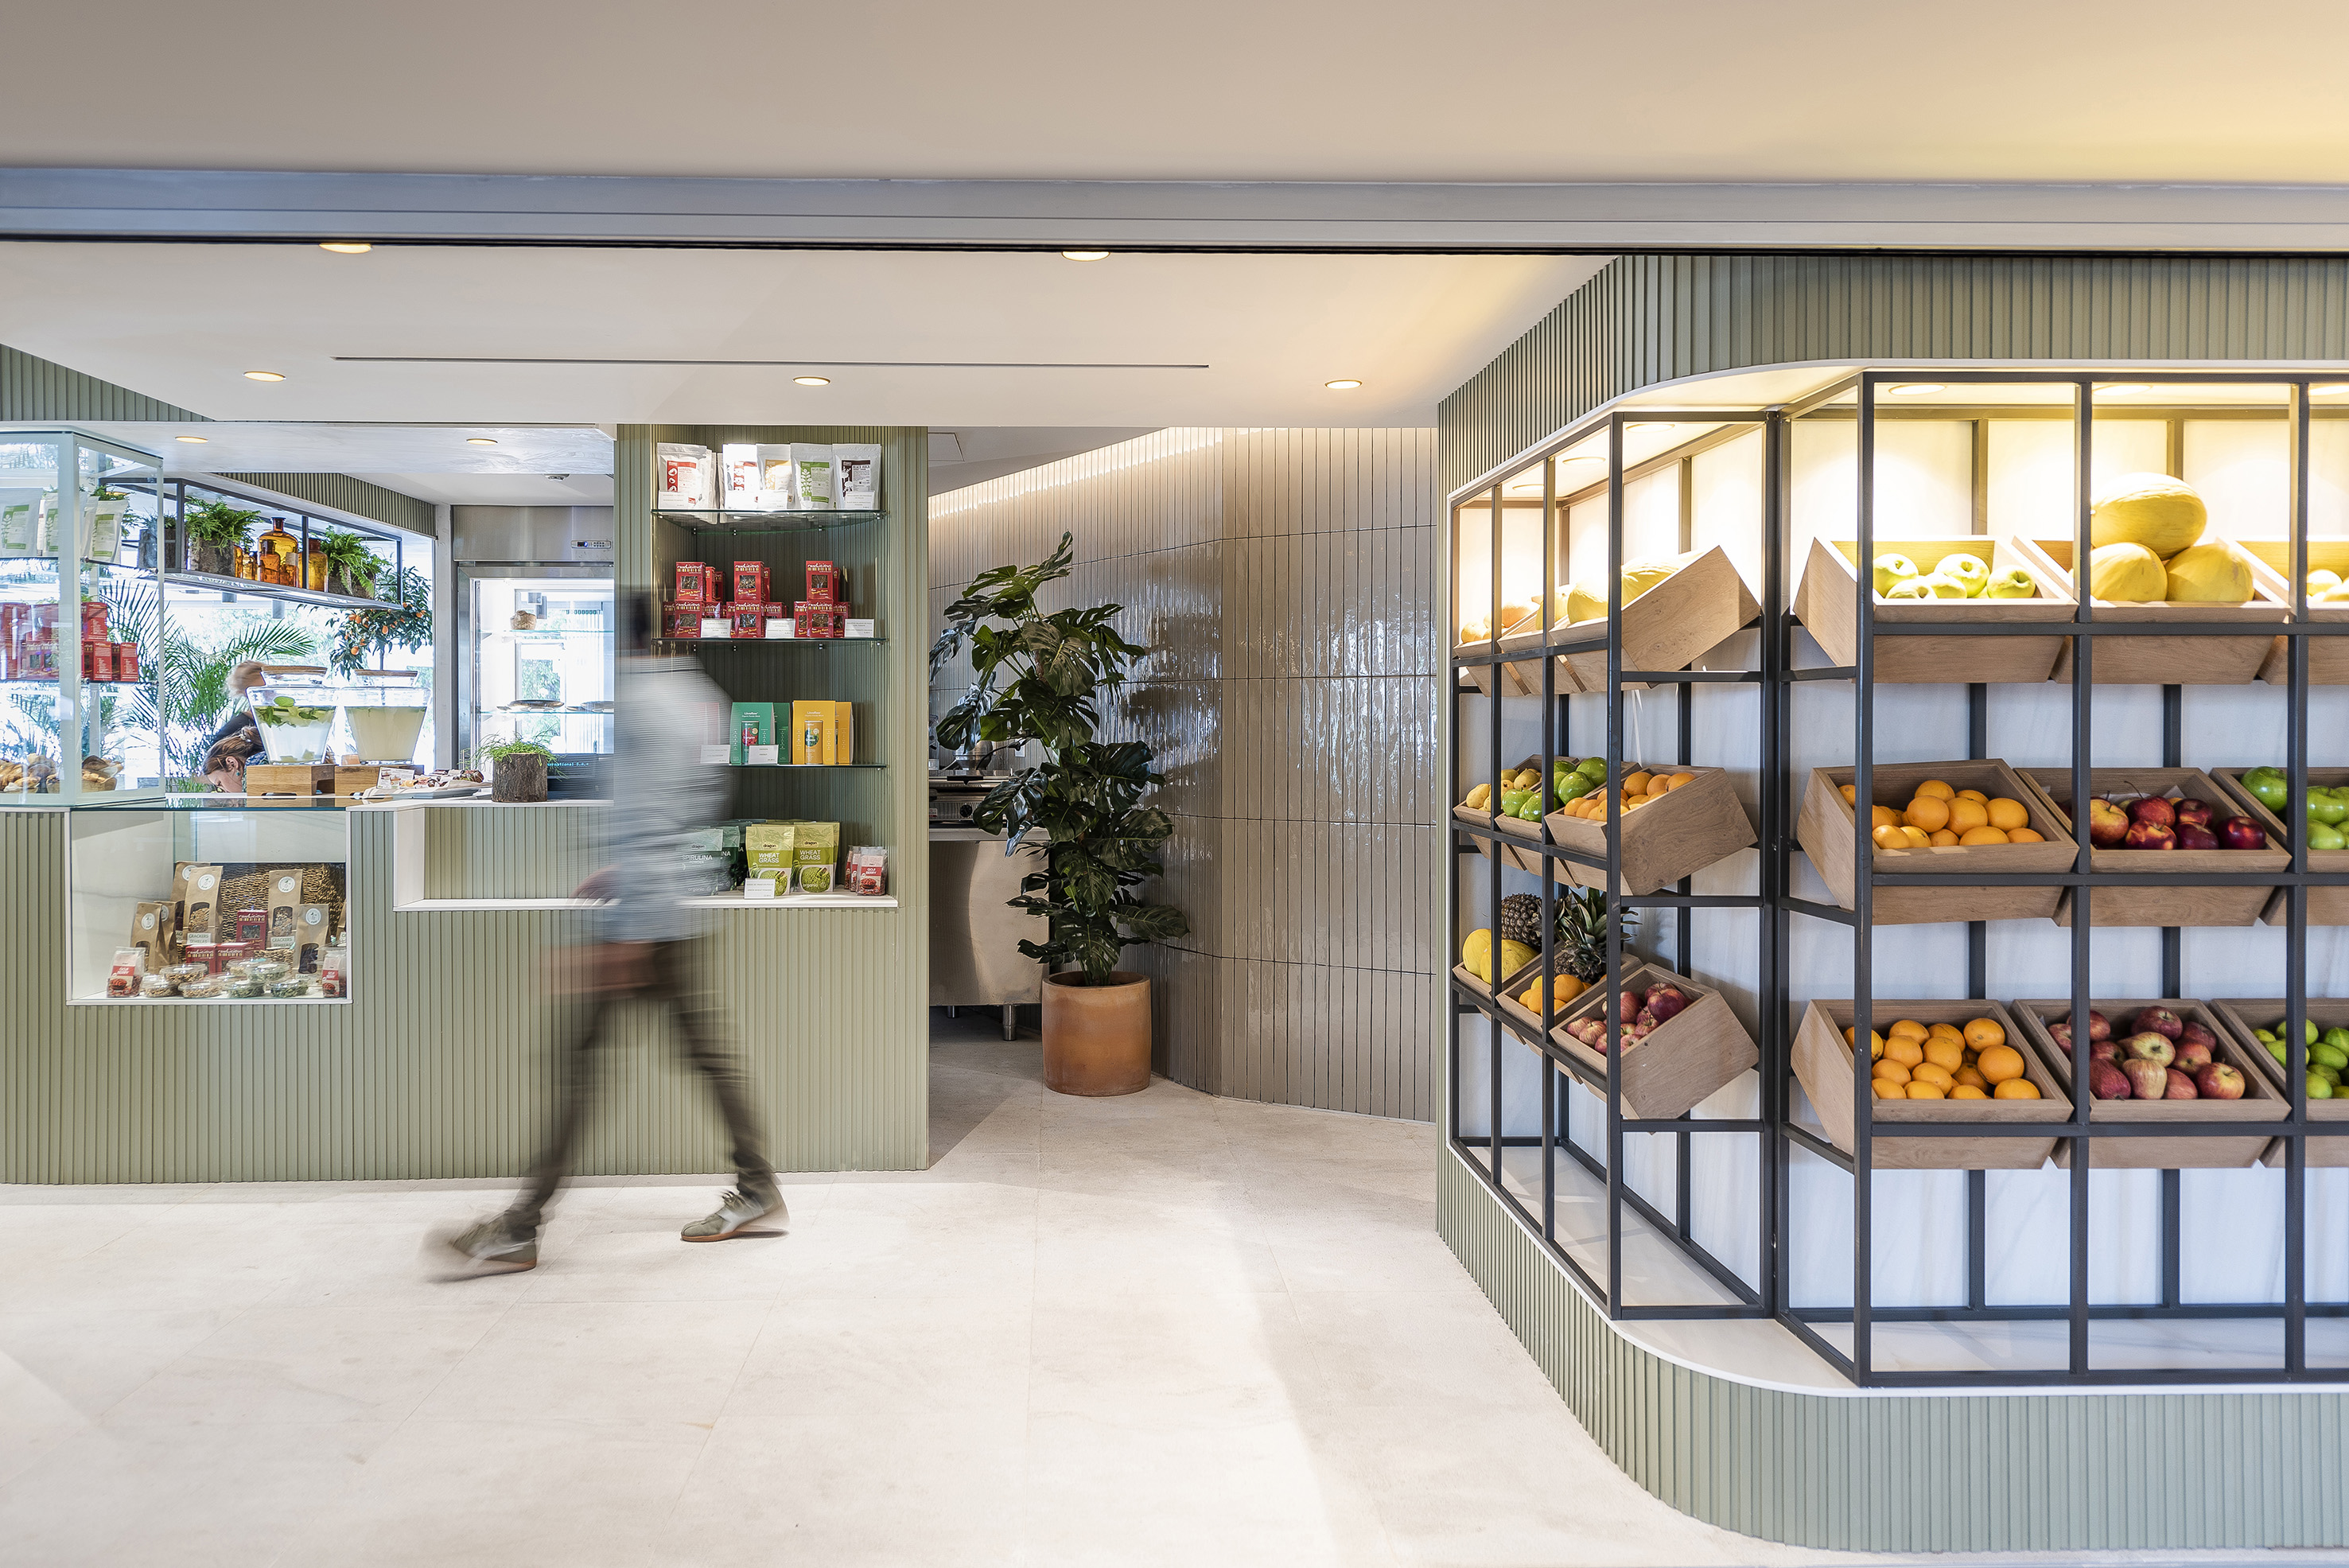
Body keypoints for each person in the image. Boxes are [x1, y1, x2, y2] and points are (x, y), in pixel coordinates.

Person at [441, 591, 783, 1273]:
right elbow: (696, 801)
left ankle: (520, 1223)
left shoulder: (641, 707)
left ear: (612, 641)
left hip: (647, 922)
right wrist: (623, 871)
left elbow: (655, 818)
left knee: (577, 1066)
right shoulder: (695, 691)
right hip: (667, 905)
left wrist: (629, 932)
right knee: (701, 1054)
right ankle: (756, 1185)